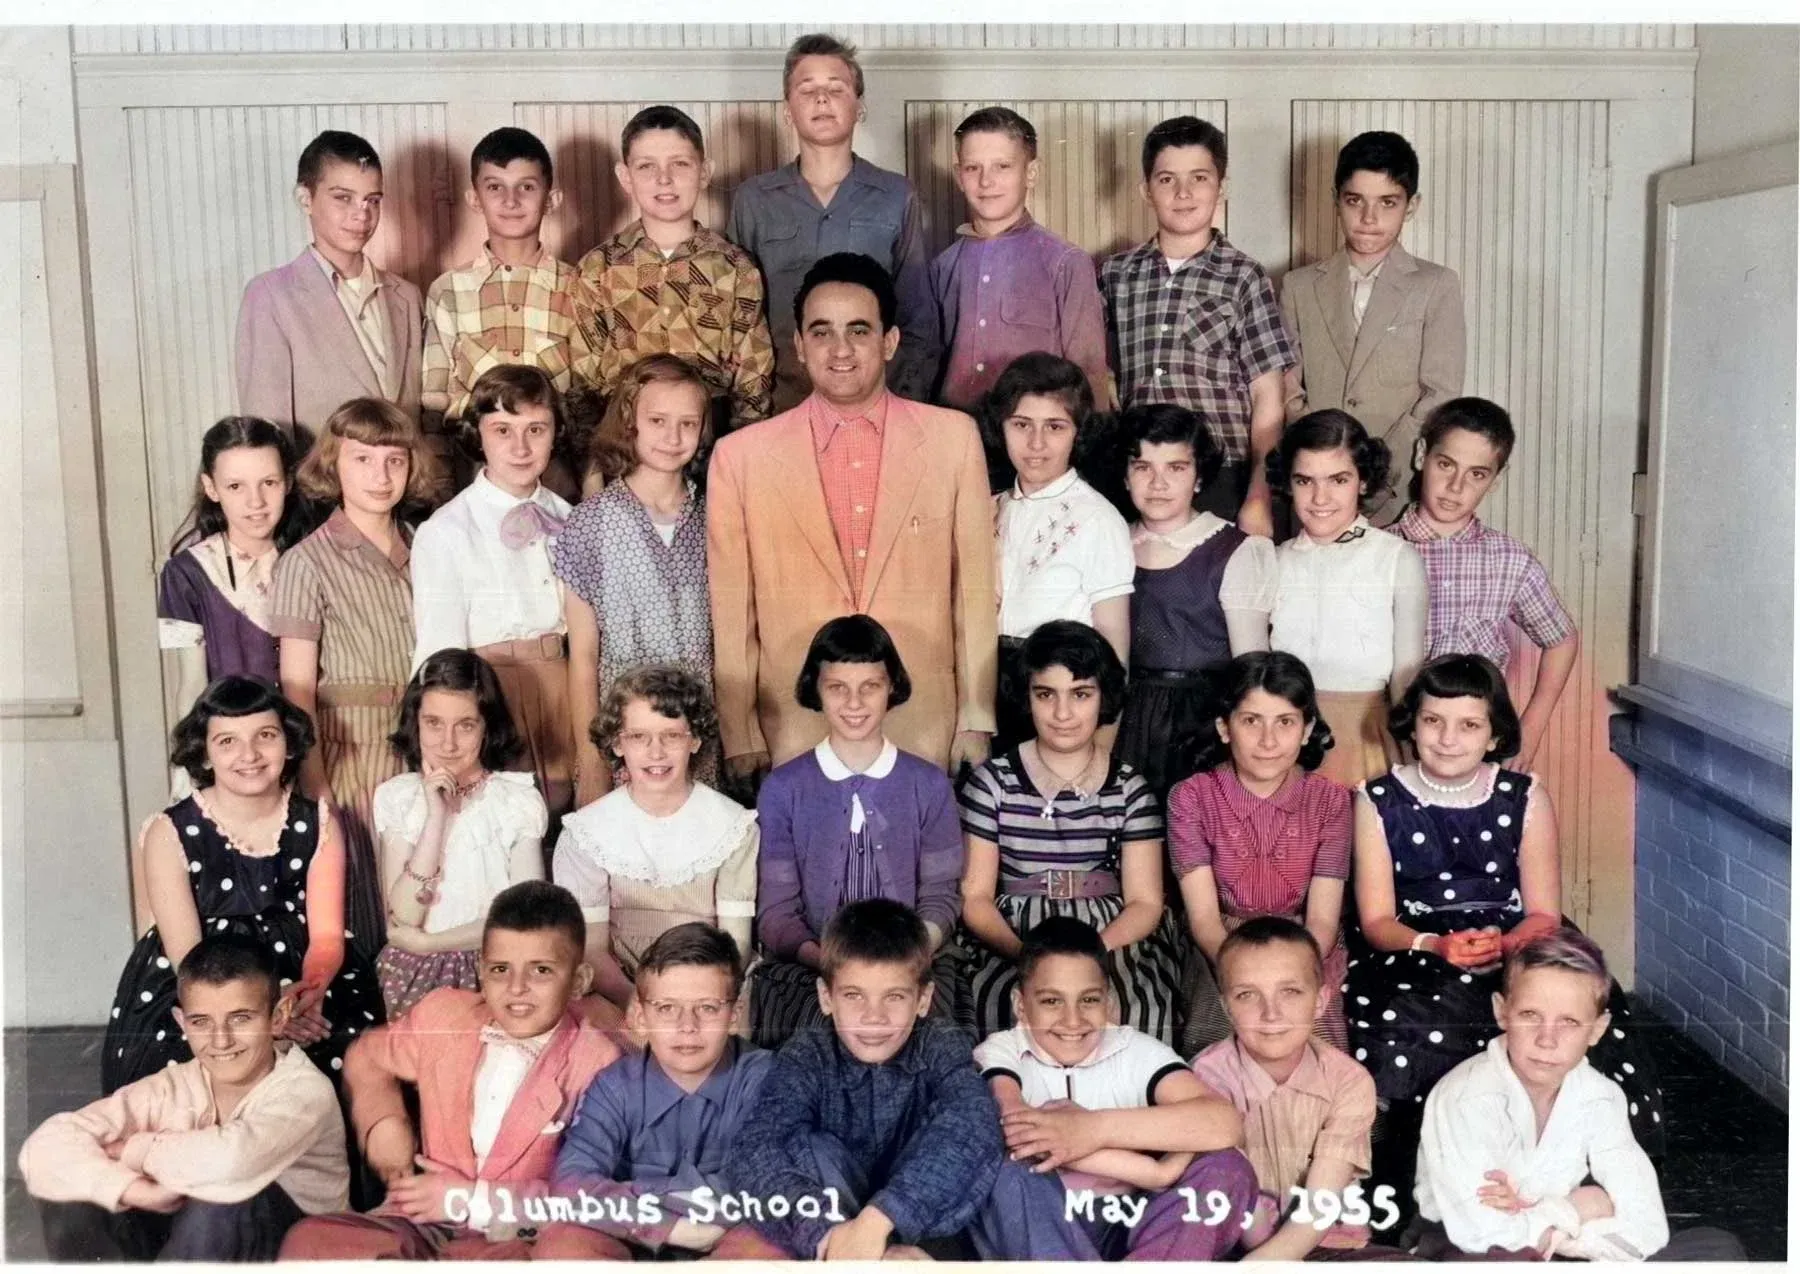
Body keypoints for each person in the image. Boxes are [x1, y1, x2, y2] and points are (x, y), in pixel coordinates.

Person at [1344, 655, 1664, 1203]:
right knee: (1410, 1016)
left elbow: (1543, 912)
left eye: (1469, 725)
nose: (1448, 739)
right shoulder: (1377, 799)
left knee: (1572, 1000)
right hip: (1415, 945)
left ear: (1493, 735)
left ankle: (1569, 1173)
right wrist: (1435, 945)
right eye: (1433, 721)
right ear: (1411, 725)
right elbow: (1376, 921)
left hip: (1518, 938)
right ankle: (1430, 1178)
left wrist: (1507, 944)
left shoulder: (1524, 795)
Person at [707, 252, 996, 782]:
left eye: (859, 331)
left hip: (921, 721)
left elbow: (974, 593)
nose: (840, 350)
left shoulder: (953, 440)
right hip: (793, 725)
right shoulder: (740, 457)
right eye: (822, 332)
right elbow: (732, 614)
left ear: (889, 341)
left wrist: (976, 717)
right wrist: (741, 734)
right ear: (799, 345)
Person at [278, 881, 624, 1259]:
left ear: (578, 981)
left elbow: (588, 1196)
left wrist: (470, 1199)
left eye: (541, 970)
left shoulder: (599, 1062)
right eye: (500, 969)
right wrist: (383, 1121)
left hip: (519, 1238)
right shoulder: (445, 1014)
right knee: (309, 1241)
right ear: (481, 971)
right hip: (426, 1225)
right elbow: (368, 1056)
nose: (516, 988)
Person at [101, 677, 385, 1094]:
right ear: (204, 752)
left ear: (289, 743)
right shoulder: (170, 830)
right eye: (227, 741)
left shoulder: (318, 822)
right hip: (204, 982)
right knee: (182, 1078)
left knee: (345, 1056)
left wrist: (303, 996)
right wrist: (263, 1009)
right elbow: (188, 955)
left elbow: (326, 938)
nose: (249, 755)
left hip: (301, 975)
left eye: (265, 736)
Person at [1412, 930, 1743, 1262]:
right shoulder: (1466, 1098)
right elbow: (1480, 1233)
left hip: (1558, 1243)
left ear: (1597, 1029)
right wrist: (1579, 1208)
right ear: (1502, 1012)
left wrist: (1558, 1230)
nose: (1547, 1039)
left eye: (1569, 1022)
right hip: (1465, 1251)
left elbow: (1648, 1225)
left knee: (1718, 1248)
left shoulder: (1600, 1096)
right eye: (1530, 1015)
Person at [21, 937, 348, 1262]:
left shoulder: (305, 1091)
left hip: (294, 1246)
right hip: (197, 1243)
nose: (221, 1040)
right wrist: (133, 1189)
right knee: (73, 1196)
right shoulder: (175, 1084)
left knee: (220, 1198)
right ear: (182, 1022)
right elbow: (43, 1146)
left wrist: (136, 1149)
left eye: (240, 1018)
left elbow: (232, 1161)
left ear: (278, 1017)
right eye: (201, 1022)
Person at [729, 899, 1004, 1259]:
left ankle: (891, 1247)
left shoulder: (940, 1042)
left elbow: (973, 1120)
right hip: (831, 1233)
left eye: (894, 996)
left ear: (923, 999)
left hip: (924, 1226)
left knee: (970, 1130)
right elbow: (755, 1147)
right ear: (826, 997)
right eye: (854, 995)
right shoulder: (808, 1053)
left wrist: (881, 1219)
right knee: (799, 1146)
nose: (874, 1017)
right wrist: (824, 1233)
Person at [271, 397, 447, 962]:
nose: (380, 476)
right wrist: (316, 783)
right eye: (362, 459)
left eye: (394, 461)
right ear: (333, 464)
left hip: (425, 746)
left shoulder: (428, 546)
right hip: (351, 755)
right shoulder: (306, 562)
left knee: (431, 896)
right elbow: (297, 690)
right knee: (365, 903)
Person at [971, 916, 1256, 1262]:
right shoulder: (1001, 1050)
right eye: (1051, 1001)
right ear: (1020, 1005)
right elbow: (1015, 1133)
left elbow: (1223, 1123)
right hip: (1043, 1221)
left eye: (1089, 1000)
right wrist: (1155, 1171)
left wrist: (1093, 1129)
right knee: (1003, 1169)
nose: (1072, 1020)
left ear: (1108, 1002)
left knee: (1227, 1166)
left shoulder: (1133, 1048)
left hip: (1134, 1221)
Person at [957, 620, 1185, 1044]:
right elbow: (976, 898)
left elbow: (1145, 902)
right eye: (1046, 695)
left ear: (1104, 697)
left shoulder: (1129, 788)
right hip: (1015, 933)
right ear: (1026, 696)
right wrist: (1028, 956)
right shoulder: (993, 783)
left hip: (1109, 934)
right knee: (997, 1002)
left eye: (1080, 694)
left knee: (1135, 1006)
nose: (1063, 714)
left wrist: (1092, 953)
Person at [749, 615, 966, 1046]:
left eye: (870, 686)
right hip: (813, 968)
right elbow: (776, 912)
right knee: (811, 1040)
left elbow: (941, 897)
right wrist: (829, 963)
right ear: (815, 689)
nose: (854, 702)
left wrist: (904, 960)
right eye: (837, 688)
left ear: (892, 688)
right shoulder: (783, 788)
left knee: (929, 1038)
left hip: (910, 963)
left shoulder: (928, 784)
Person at [534, 923, 786, 1259]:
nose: (687, 1027)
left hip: (726, 1236)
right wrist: (665, 1226)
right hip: (629, 1239)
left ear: (734, 1015)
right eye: (667, 1008)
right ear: (640, 1016)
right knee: (562, 1244)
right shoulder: (614, 1085)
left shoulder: (766, 1077)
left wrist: (632, 1194)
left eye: (708, 1008)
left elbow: (760, 1181)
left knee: (768, 1243)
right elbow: (570, 1182)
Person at [1099, 116, 1294, 534]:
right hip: (1141, 476)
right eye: (1167, 179)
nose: (1183, 193)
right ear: (1146, 190)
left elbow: (1268, 400)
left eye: (1199, 178)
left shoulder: (1244, 277)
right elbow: (1091, 366)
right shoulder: (1116, 274)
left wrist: (1259, 496)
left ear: (1221, 188)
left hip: (1221, 477)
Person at [727, 32, 938, 409]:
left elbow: (917, 317)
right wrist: (753, 411)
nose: (821, 99)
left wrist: (904, 405)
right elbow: (738, 318)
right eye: (807, 89)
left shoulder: (896, 196)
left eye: (836, 88)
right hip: (782, 406)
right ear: (787, 110)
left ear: (859, 107)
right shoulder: (754, 199)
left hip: (875, 403)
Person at [409, 364, 575, 815]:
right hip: (490, 698)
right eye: (503, 430)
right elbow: (438, 647)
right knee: (501, 820)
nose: (520, 448)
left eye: (536, 429)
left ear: (555, 433)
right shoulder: (446, 530)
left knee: (568, 816)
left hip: (564, 690)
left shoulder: (570, 518)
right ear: (477, 435)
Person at [1168, 652, 1353, 1055]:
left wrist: (1288, 973)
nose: (1268, 741)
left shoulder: (1331, 801)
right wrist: (1246, 974)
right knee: (1220, 1037)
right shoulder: (1191, 798)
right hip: (1222, 944)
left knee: (1314, 1039)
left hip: (1306, 945)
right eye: (1252, 721)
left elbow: (1322, 920)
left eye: (1285, 722)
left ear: (1306, 730)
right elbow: (1204, 919)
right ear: (1224, 727)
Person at [1280, 130, 1465, 523]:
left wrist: (1380, 472)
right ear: (1336, 200)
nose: (1369, 218)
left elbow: (1439, 394)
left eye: (1387, 202)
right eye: (1355, 201)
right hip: (1317, 493)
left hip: (1397, 491)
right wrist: (1325, 469)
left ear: (1411, 206)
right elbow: (1288, 390)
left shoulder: (1436, 285)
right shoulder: (1298, 286)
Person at [556, 354, 716, 803]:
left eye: (688, 423)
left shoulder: (716, 516)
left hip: (697, 738)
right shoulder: (590, 522)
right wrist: (591, 761)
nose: (673, 437)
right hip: (622, 743)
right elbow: (583, 656)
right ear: (630, 421)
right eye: (658, 421)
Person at [554, 665, 757, 1013]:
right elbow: (591, 949)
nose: (656, 752)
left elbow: (735, 945)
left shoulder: (733, 826)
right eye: (638, 737)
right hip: (618, 989)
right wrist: (637, 1005)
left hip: (707, 986)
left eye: (672, 736)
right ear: (617, 743)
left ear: (695, 739)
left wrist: (691, 1007)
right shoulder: (586, 833)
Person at [1392, 397, 1580, 768]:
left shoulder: (1509, 559)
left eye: (1477, 474)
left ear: (1496, 479)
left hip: (1475, 753)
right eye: (1446, 464)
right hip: (1395, 746)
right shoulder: (1379, 550)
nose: (1455, 486)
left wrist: (1530, 729)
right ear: (1421, 455)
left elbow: (1562, 639)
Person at [1191, 918, 1389, 1261]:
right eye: (1247, 995)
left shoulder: (1349, 1081)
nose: (1271, 1014)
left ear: (1320, 1001)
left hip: (1328, 1241)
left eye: (1291, 992)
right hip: (1237, 1243)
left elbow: (1321, 1205)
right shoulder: (1206, 1076)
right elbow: (1230, 1190)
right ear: (1226, 1008)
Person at [1111, 401, 1276, 799]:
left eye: (1176, 468)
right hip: (1126, 719)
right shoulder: (1110, 541)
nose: (1158, 483)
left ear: (1199, 477)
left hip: (1202, 723)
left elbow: (1251, 667)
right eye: (1143, 467)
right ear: (1125, 476)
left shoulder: (1233, 550)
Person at [574, 106, 774, 433]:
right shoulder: (598, 269)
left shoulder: (735, 267)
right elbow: (585, 380)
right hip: (624, 439)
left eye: (680, 163)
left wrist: (741, 449)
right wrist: (596, 454)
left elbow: (754, 375)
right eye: (646, 166)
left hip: (709, 436)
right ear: (625, 176)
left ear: (704, 172)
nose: (664, 179)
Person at [373, 649, 547, 1019]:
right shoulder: (398, 798)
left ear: (487, 727)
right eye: (433, 723)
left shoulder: (515, 801)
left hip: (500, 968)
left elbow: (523, 919)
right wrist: (436, 817)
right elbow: (404, 916)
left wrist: (432, 943)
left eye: (465, 725)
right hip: (414, 971)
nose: (448, 743)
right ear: (416, 723)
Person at [1267, 409, 1427, 788]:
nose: (1320, 498)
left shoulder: (1396, 557)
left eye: (1338, 480)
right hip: (1287, 740)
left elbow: (1406, 676)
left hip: (1367, 735)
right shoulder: (1273, 560)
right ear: (1288, 483)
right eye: (1305, 481)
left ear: (1364, 481)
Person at [986, 353, 1134, 753]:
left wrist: (1100, 750)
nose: (1036, 444)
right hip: (989, 688)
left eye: (1055, 426)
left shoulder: (1098, 518)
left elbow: (1114, 644)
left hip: (1058, 693)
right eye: (1021, 425)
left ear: (1078, 432)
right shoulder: (990, 507)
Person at [236, 129, 423, 439]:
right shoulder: (270, 296)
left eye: (372, 200)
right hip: (319, 471)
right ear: (305, 199)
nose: (361, 214)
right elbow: (266, 433)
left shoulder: (407, 295)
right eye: (343, 198)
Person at [928, 107, 1110, 414]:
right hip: (955, 430)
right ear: (959, 176)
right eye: (973, 168)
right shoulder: (942, 268)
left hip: (1032, 437)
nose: (986, 181)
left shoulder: (1066, 263)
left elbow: (1089, 370)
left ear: (1031, 173)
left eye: (1002, 166)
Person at [422, 128, 594, 430]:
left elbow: (587, 397)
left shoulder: (579, 287)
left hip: (556, 453)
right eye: (494, 187)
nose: (510, 201)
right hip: (472, 453)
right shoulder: (448, 291)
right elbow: (434, 400)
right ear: (475, 199)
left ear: (551, 200)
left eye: (526, 187)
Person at [158, 417, 310, 726]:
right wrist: (189, 752)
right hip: (235, 742)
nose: (256, 501)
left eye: (269, 483)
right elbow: (191, 684)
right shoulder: (186, 573)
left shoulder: (311, 558)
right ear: (211, 488)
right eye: (235, 486)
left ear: (288, 482)